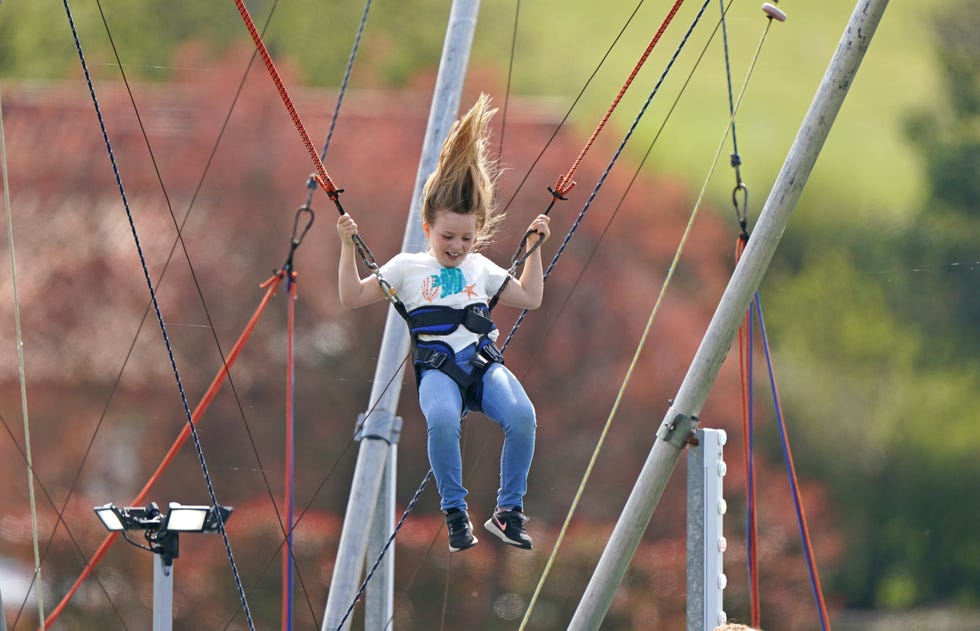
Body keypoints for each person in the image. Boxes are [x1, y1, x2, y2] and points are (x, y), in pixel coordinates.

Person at [336, 93, 550, 552]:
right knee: (441, 418)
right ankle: (455, 512)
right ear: (428, 226)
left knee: (523, 416)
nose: (457, 246)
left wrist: (534, 250)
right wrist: (346, 245)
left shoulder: (482, 268)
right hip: (438, 369)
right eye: (448, 236)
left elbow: (530, 298)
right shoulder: (406, 268)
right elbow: (352, 296)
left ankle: (508, 512)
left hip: (482, 363)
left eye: (467, 238)